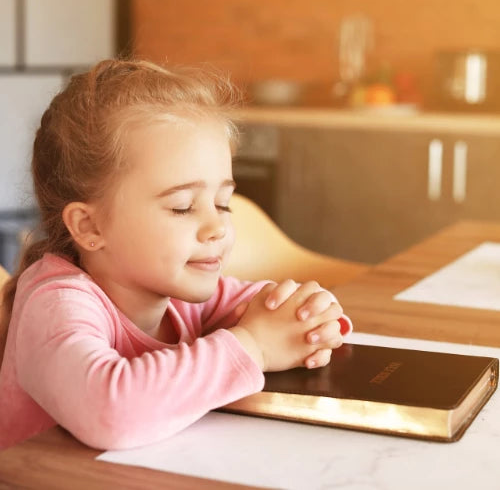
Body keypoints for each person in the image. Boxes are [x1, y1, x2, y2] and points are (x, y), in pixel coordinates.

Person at [0, 59, 352, 451]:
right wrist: (254, 346)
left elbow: (269, 310)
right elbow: (111, 412)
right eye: (183, 207)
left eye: (222, 203)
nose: (216, 227)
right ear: (89, 227)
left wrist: (311, 318)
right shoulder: (55, 304)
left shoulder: (183, 295)